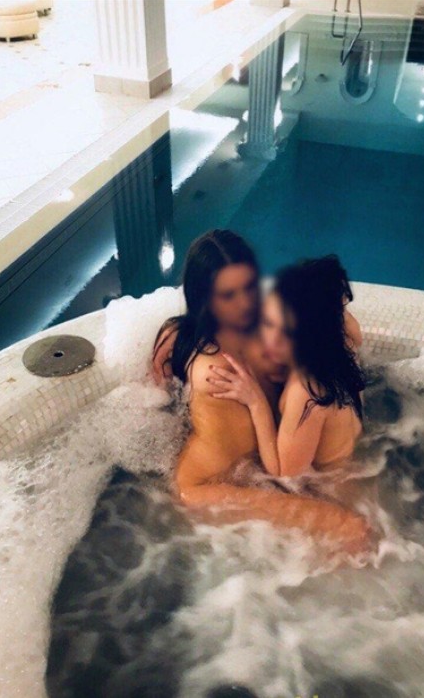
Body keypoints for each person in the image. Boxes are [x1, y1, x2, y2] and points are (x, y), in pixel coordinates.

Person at [152, 231, 374, 555]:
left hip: (267, 465)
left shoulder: (263, 321)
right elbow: (273, 472)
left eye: (249, 287)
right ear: (205, 300)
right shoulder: (217, 372)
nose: (245, 304)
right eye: (229, 295)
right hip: (207, 486)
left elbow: (349, 334)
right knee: (350, 529)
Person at [207, 256, 376, 508]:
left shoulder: (307, 390)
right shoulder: (344, 343)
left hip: (330, 498)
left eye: (286, 331)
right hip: (354, 473)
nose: (271, 340)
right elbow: (338, 311)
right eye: (269, 323)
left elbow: (286, 476)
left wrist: (256, 402)